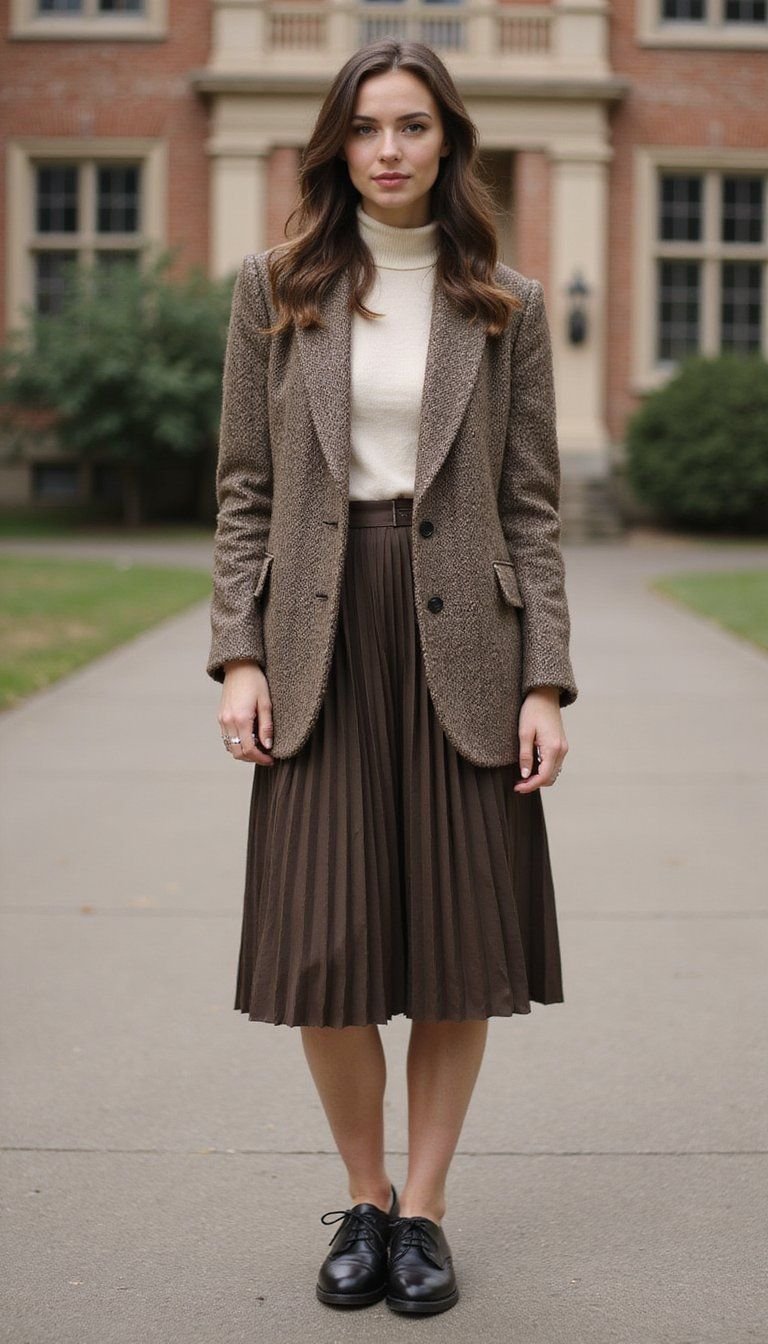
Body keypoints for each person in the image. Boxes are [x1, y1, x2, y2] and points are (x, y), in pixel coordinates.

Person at [206, 38, 578, 1318]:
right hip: (319, 637)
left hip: (465, 643)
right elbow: (246, 489)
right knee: (329, 938)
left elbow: (532, 507)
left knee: (457, 943)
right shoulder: (276, 289)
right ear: (337, 143)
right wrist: (238, 652)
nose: (389, 149)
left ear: (447, 141)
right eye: (367, 127)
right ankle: (360, 1200)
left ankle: (423, 1215)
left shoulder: (506, 303)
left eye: (413, 125)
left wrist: (547, 680)